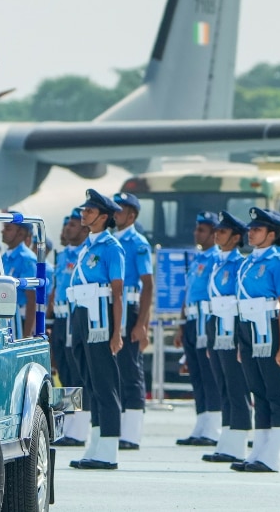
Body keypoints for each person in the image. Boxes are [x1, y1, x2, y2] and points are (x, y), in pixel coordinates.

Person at [230, 208, 280, 473]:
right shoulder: (248, 261)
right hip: (248, 328)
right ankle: (259, 451)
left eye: (257, 229)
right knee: (258, 390)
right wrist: (239, 342)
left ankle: (273, 454)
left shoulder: (279, 261)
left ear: (272, 233)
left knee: (275, 391)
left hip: (269, 327)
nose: (251, 233)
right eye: (251, 228)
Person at [67, 190, 125, 471]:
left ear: (104, 217)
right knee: (90, 380)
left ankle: (109, 448)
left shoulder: (111, 247)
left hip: (100, 315)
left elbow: (118, 292)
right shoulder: (88, 245)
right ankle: (97, 443)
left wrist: (117, 332)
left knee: (104, 382)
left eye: (89, 211)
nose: (84, 215)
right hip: (82, 312)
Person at [105, 192, 153, 450]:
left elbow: (148, 285)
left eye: (119, 210)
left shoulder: (138, 243)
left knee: (130, 369)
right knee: (113, 370)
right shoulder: (109, 241)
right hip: (111, 307)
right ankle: (118, 426)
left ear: (131, 215)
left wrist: (142, 323)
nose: (115, 215)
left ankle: (132, 432)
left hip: (131, 307)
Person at [202, 212, 251, 464]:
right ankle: (227, 439)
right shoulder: (217, 262)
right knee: (223, 385)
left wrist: (242, 339)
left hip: (232, 328)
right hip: (217, 326)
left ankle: (238, 442)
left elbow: (241, 300)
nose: (216, 234)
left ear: (236, 237)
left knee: (236, 386)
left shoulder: (239, 263)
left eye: (222, 231)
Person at [176, 211, 223, 447]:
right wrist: (181, 324)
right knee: (196, 374)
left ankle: (213, 427)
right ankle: (201, 423)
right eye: (197, 228)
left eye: (202, 229)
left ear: (215, 234)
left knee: (209, 373)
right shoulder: (197, 259)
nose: (197, 233)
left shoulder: (216, 258)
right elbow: (188, 293)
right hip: (193, 319)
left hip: (207, 318)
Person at [52, 210, 89, 448]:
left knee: (77, 370)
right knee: (62, 370)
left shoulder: (85, 254)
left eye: (74, 225)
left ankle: (79, 427)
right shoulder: (63, 254)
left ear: (85, 230)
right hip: (60, 315)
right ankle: (66, 423)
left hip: (76, 314)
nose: (68, 230)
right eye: (68, 225)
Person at [1, 220, 39, 338]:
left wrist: (26, 335)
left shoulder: (26, 258)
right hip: (4, 316)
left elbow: (32, 300)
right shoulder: (5, 256)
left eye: (8, 228)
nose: (3, 231)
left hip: (19, 319)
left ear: (21, 233)